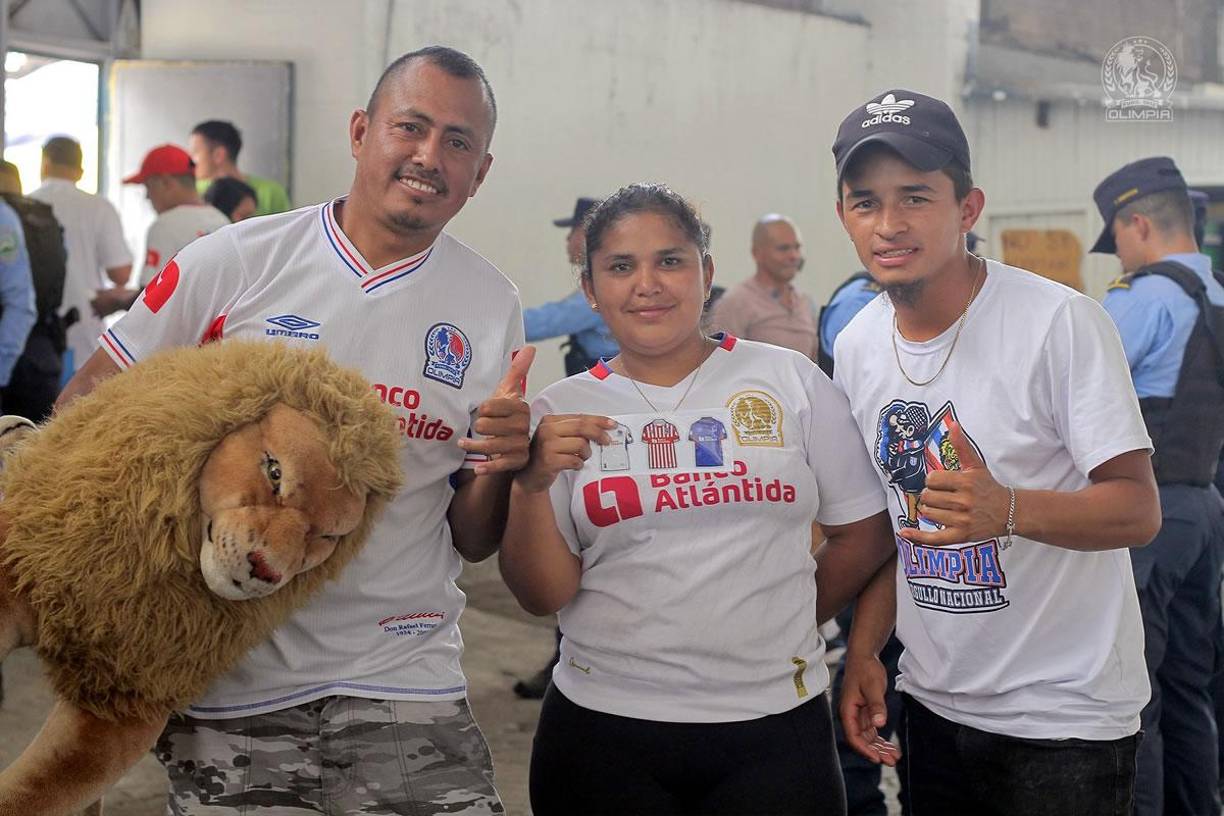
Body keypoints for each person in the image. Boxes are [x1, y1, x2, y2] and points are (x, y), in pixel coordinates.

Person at [57, 45, 530, 814]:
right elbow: (85, 412)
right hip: (235, 687)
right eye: (409, 126)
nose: (428, 156)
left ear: (480, 173)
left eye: (458, 142)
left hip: (404, 682)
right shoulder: (235, 260)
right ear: (359, 131)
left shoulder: (489, 304)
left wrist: (500, 465)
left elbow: (471, 538)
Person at [500, 183, 896, 816]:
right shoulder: (561, 413)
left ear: (707, 273)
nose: (648, 283)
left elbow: (866, 533)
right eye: (621, 267)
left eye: (671, 260)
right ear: (591, 290)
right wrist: (529, 484)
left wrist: (777, 615)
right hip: (603, 733)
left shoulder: (788, 379)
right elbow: (540, 594)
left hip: (774, 726)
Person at [831, 89, 1161, 816]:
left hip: (1063, 719)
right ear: (844, 217)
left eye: (915, 197)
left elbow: (1138, 510)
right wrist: (863, 651)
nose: (889, 224)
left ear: (968, 208)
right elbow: (895, 526)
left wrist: (1007, 508)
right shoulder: (855, 345)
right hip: (933, 701)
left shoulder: (1060, 323)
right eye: (866, 202)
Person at [1091, 156, 1224, 816]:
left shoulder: (1141, 299)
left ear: (1137, 223)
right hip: (1203, 509)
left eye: (1115, 235)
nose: (1117, 249)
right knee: (1190, 688)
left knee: (1130, 699)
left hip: (1146, 515)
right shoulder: (1218, 295)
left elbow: (1073, 390)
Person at [28, 136, 132, 380]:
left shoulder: (27, 205)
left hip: (35, 332)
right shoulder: (99, 207)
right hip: (85, 327)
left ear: (45, 164)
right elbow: (120, 274)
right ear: (80, 171)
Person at [91, 145, 231, 318]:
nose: (147, 197)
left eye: (148, 187)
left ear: (166, 183)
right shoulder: (222, 220)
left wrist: (116, 301)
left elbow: (151, 299)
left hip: (180, 337)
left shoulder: (166, 225)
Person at [523, 197, 618, 376]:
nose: (567, 238)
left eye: (572, 231)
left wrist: (492, 322)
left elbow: (547, 322)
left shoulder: (603, 287)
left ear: (586, 234)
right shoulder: (605, 278)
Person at [707, 213, 818, 359]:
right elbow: (718, 360)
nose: (794, 256)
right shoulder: (736, 302)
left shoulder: (805, 303)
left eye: (797, 248)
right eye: (783, 248)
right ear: (757, 253)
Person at [189, 119, 292, 216]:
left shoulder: (271, 193)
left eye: (195, 152)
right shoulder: (193, 193)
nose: (190, 160)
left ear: (218, 155)